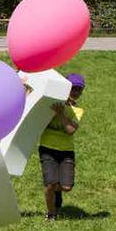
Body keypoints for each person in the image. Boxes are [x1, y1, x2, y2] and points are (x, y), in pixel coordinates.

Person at [38, 72, 85, 220]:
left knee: (66, 187)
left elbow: (70, 130)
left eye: (79, 89)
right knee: (50, 184)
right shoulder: (49, 103)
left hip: (66, 151)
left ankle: (55, 190)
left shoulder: (77, 111)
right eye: (73, 88)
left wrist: (60, 114)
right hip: (47, 148)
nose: (76, 92)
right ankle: (51, 213)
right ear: (66, 88)